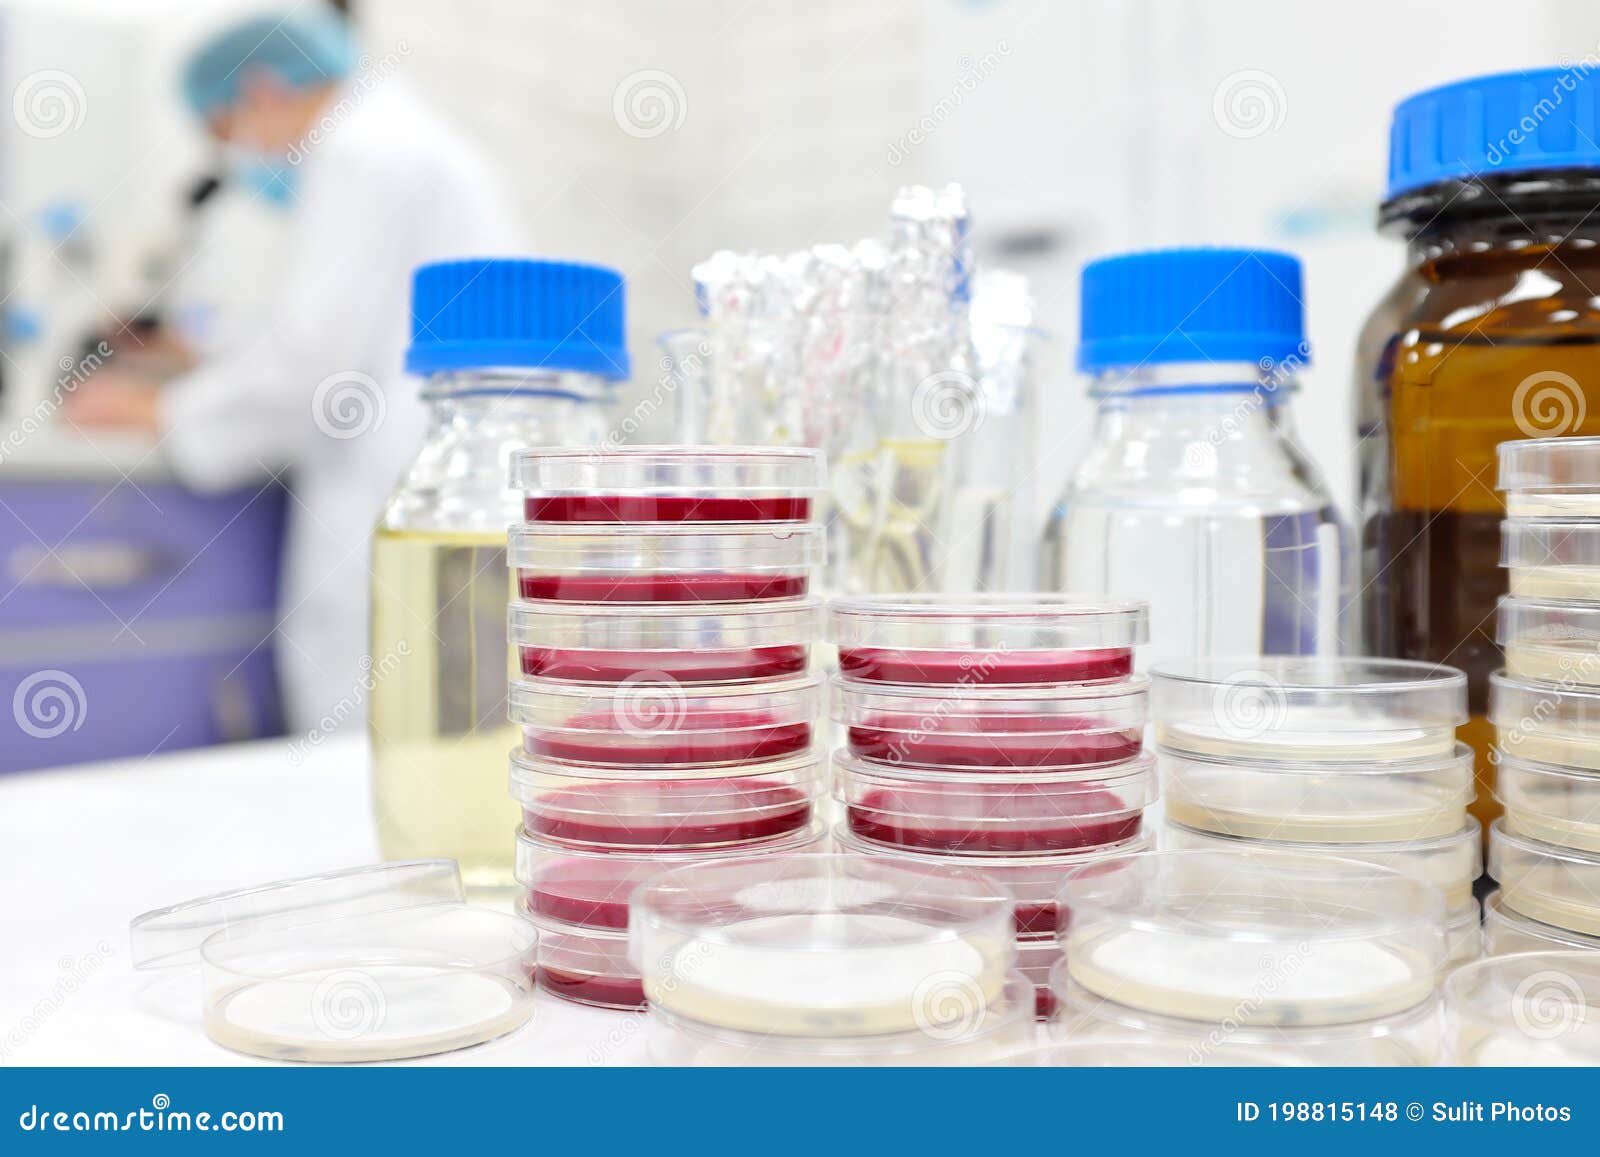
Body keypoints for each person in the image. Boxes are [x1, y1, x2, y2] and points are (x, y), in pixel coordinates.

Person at [67, 10, 522, 732]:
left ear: (263, 88)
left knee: (372, 735)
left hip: (389, 484)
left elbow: (311, 367)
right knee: (461, 731)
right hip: (461, 481)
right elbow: (359, 331)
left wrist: (156, 412)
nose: (242, 156)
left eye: (228, 130)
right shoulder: (422, 143)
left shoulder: (355, 151)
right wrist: (202, 356)